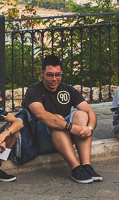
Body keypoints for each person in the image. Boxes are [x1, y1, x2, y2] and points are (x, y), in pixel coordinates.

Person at [22, 54, 99, 183]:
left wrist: (89, 128)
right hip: (41, 140)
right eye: (50, 75)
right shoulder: (34, 90)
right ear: (42, 73)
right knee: (56, 119)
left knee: (81, 114)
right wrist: (69, 127)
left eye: (58, 75)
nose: (54, 79)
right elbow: (41, 114)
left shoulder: (67, 89)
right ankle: (75, 168)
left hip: (64, 137)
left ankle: (86, 165)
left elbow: (89, 110)